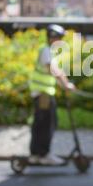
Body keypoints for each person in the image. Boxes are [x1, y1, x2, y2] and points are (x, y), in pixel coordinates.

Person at [29, 24, 75, 165]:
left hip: (43, 94)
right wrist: (66, 84)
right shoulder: (47, 51)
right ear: (52, 38)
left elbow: (56, 71)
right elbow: (53, 70)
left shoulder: (49, 51)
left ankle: (36, 154)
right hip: (44, 95)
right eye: (59, 38)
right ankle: (44, 155)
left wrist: (65, 84)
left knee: (41, 123)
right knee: (48, 124)